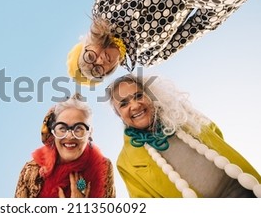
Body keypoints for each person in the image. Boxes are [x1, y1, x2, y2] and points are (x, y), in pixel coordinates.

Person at [67, 0, 261, 85]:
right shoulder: (148, 56)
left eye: (90, 58)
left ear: (87, 45)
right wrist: (229, 0)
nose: (100, 60)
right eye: (99, 70)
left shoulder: (101, 12)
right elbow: (197, 26)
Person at [106, 74, 261, 197]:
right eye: (124, 104)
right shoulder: (125, 163)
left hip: (245, 188)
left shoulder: (181, 117)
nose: (134, 105)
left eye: (138, 96)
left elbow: (215, 132)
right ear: (118, 114)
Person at [14, 93, 116, 198]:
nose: (70, 135)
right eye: (62, 128)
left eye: (78, 128)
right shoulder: (32, 170)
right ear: (53, 132)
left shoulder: (104, 168)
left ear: (89, 133)